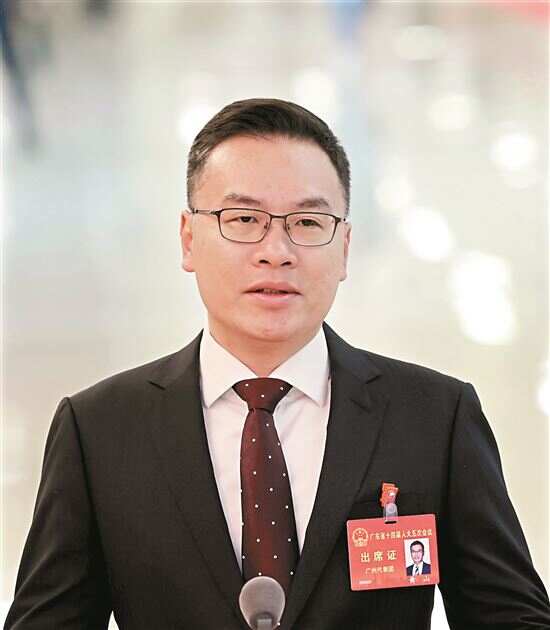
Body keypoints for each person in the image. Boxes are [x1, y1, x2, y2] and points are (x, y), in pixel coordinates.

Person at [5, 98, 550, 630]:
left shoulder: (433, 417)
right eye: (244, 219)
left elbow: (511, 615)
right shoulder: (100, 430)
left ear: (344, 248)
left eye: (308, 223)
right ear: (189, 239)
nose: (277, 251)